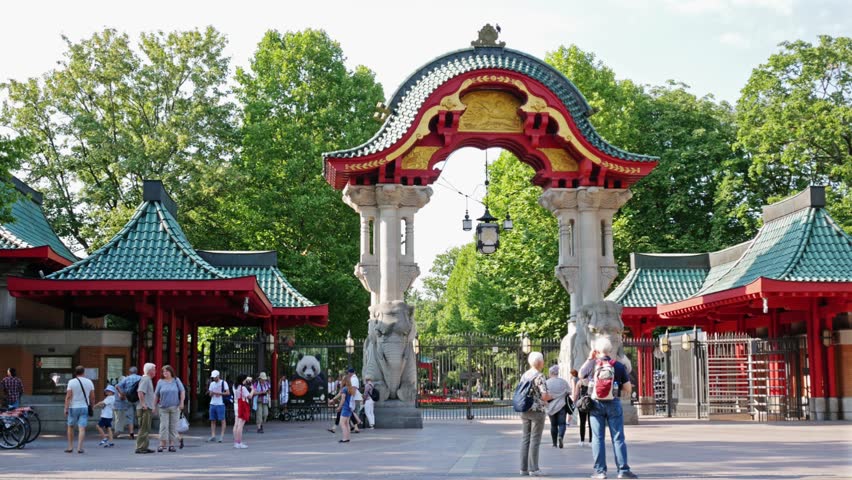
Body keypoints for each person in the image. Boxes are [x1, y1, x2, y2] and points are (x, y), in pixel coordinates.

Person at [579, 338, 638, 479]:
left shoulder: (593, 364)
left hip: (595, 404)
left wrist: (589, 358)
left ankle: (600, 471)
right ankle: (623, 471)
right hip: (613, 403)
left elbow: (580, 375)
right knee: (618, 438)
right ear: (611, 350)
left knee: (597, 438)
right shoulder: (617, 366)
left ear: (596, 351)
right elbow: (628, 388)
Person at [519, 352, 552, 477]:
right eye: (543, 360)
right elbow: (544, 395)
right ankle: (534, 469)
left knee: (525, 438)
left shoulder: (525, 375)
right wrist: (551, 396)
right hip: (537, 411)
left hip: (524, 409)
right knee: (535, 439)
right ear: (539, 363)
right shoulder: (539, 376)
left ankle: (523, 468)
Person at [154, 365, 185, 453]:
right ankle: (162, 444)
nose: (165, 373)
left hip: (175, 407)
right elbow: (156, 394)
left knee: (173, 427)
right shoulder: (160, 381)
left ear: (171, 372)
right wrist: (154, 406)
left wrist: (182, 402)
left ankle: (171, 445)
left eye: (167, 371)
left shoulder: (176, 380)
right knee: (163, 426)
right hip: (163, 407)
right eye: (163, 372)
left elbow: (182, 391)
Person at [64, 365, 94, 453]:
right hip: (84, 407)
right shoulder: (89, 382)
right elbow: (92, 397)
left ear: (75, 373)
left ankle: (70, 447)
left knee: (70, 426)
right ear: (83, 372)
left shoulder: (71, 382)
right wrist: (92, 406)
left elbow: (68, 396)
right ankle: (79, 448)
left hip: (73, 407)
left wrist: (66, 408)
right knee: (82, 428)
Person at [546, 365, 572, 449]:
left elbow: (544, 394)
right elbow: (569, 392)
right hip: (562, 406)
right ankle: (560, 437)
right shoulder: (563, 382)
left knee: (553, 425)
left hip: (551, 407)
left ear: (550, 373)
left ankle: (554, 443)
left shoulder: (547, 383)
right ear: (557, 373)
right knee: (562, 424)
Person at [134, 362, 157, 454]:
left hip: (147, 407)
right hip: (144, 408)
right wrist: (144, 404)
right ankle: (140, 447)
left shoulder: (147, 379)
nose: (155, 371)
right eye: (154, 369)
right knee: (144, 428)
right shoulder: (146, 379)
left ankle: (144, 446)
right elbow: (140, 392)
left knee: (146, 428)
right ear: (150, 371)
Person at [115, 366, 141, 439]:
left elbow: (117, 386)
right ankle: (140, 432)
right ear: (137, 371)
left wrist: (122, 394)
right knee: (139, 416)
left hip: (128, 399)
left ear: (129, 372)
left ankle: (131, 433)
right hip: (138, 399)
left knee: (130, 416)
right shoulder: (140, 378)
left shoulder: (126, 378)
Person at [207, 370, 229, 443]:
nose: (214, 378)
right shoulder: (212, 383)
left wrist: (219, 393)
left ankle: (221, 436)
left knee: (222, 420)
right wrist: (212, 393)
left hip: (220, 403)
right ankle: (213, 435)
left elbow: (228, 392)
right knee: (212, 420)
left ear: (218, 376)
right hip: (213, 403)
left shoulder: (223, 383)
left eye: (215, 377)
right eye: (213, 377)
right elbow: (210, 394)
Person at [572, 368, 592, 447]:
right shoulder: (592, 381)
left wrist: (574, 402)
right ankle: (591, 441)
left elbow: (576, 394)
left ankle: (582, 440)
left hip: (582, 404)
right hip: (590, 403)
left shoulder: (579, 382)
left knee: (582, 422)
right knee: (591, 423)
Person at [232, 373, 251, 449]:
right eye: (246, 379)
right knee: (240, 425)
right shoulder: (243, 388)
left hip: (236, 404)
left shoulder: (234, 386)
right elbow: (249, 396)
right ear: (243, 380)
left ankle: (236, 441)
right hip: (241, 405)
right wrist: (253, 390)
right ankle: (239, 442)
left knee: (236, 424)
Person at [337, 374, 355, 443]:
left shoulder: (344, 389)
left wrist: (339, 407)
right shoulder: (351, 389)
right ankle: (347, 437)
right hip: (350, 407)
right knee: (347, 423)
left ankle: (344, 438)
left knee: (342, 423)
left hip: (345, 407)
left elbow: (343, 399)